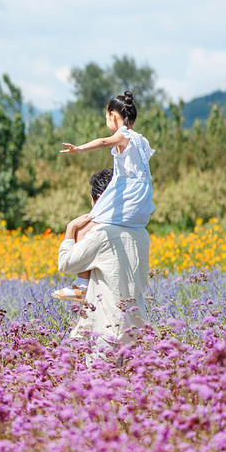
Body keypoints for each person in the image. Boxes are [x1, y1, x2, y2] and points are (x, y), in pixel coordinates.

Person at [54, 90, 155, 301]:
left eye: (106, 117)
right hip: (141, 203)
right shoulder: (142, 141)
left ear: (113, 116)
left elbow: (103, 142)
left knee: (84, 228)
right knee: (92, 225)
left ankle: (81, 284)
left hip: (126, 197)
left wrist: (79, 148)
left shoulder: (124, 134)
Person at [57, 169, 150, 350]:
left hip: (106, 333)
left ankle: (79, 285)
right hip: (136, 330)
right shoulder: (142, 233)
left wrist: (70, 229)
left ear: (99, 198)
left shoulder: (102, 233)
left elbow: (66, 264)